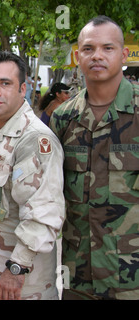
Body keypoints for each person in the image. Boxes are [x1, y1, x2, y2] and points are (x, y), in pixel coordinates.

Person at [0, 51, 65, 300]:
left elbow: (43, 214)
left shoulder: (33, 139)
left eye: (5, 83)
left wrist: (17, 268)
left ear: (22, 89)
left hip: (19, 286)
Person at [50, 16, 139, 300]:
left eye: (107, 48)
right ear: (78, 56)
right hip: (78, 275)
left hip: (131, 277)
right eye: (88, 49)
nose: (97, 55)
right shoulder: (63, 118)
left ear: (124, 54)